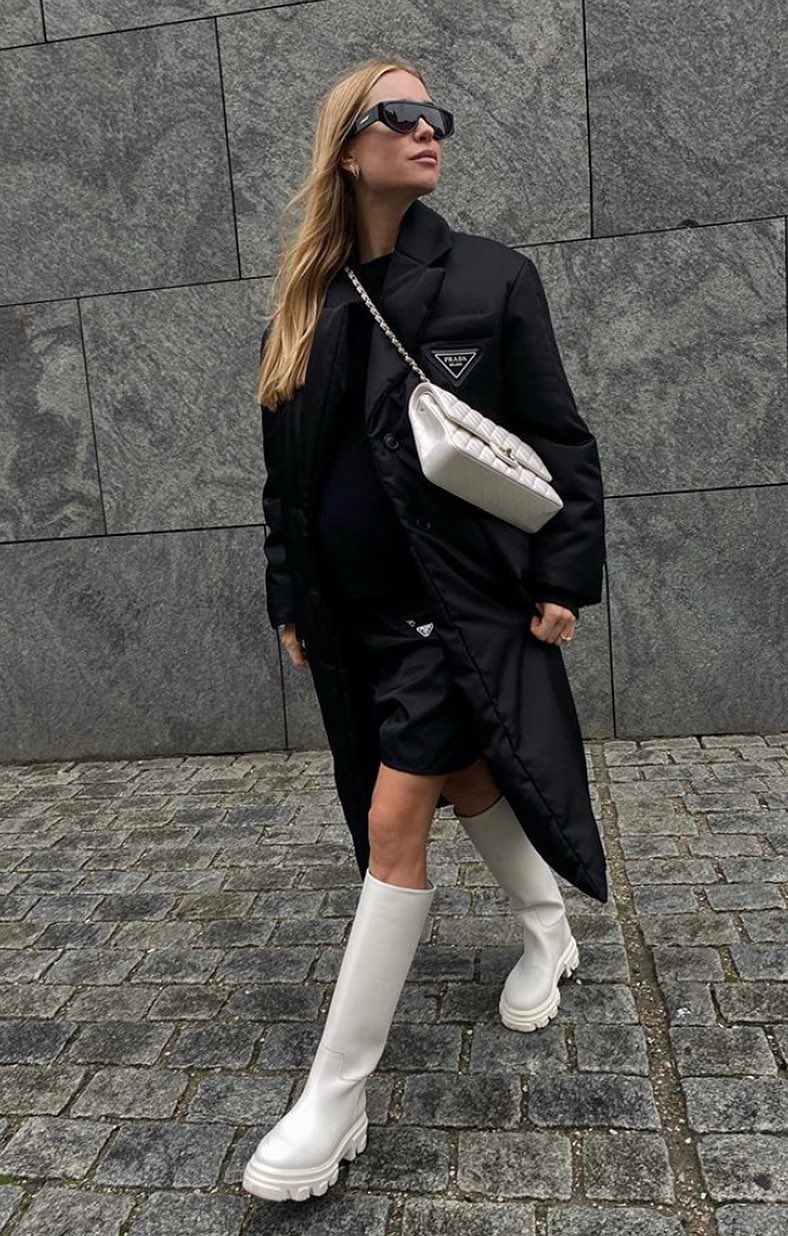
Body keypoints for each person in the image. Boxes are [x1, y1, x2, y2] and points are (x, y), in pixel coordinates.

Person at [245, 57, 606, 1202]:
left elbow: (559, 437)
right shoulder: (305, 301)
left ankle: (333, 1100)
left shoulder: (491, 279)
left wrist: (563, 574)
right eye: (395, 114)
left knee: (393, 819)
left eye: (433, 112)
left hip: (460, 611)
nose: (424, 128)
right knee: (461, 776)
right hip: (354, 619)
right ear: (347, 149)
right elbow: (286, 483)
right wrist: (290, 596)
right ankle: (547, 930)